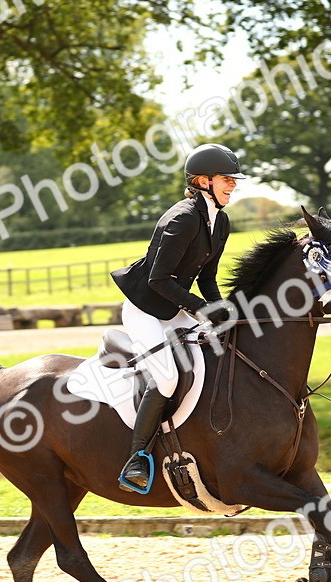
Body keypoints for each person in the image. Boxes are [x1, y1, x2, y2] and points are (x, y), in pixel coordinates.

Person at [109, 143, 245, 492]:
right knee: (168, 378)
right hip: (145, 309)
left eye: (233, 179)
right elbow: (158, 279)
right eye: (226, 179)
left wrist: (222, 310)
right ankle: (137, 458)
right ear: (202, 181)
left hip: (175, 307)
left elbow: (207, 278)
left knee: (220, 350)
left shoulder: (220, 221)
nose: (233, 184)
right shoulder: (182, 218)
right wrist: (201, 309)